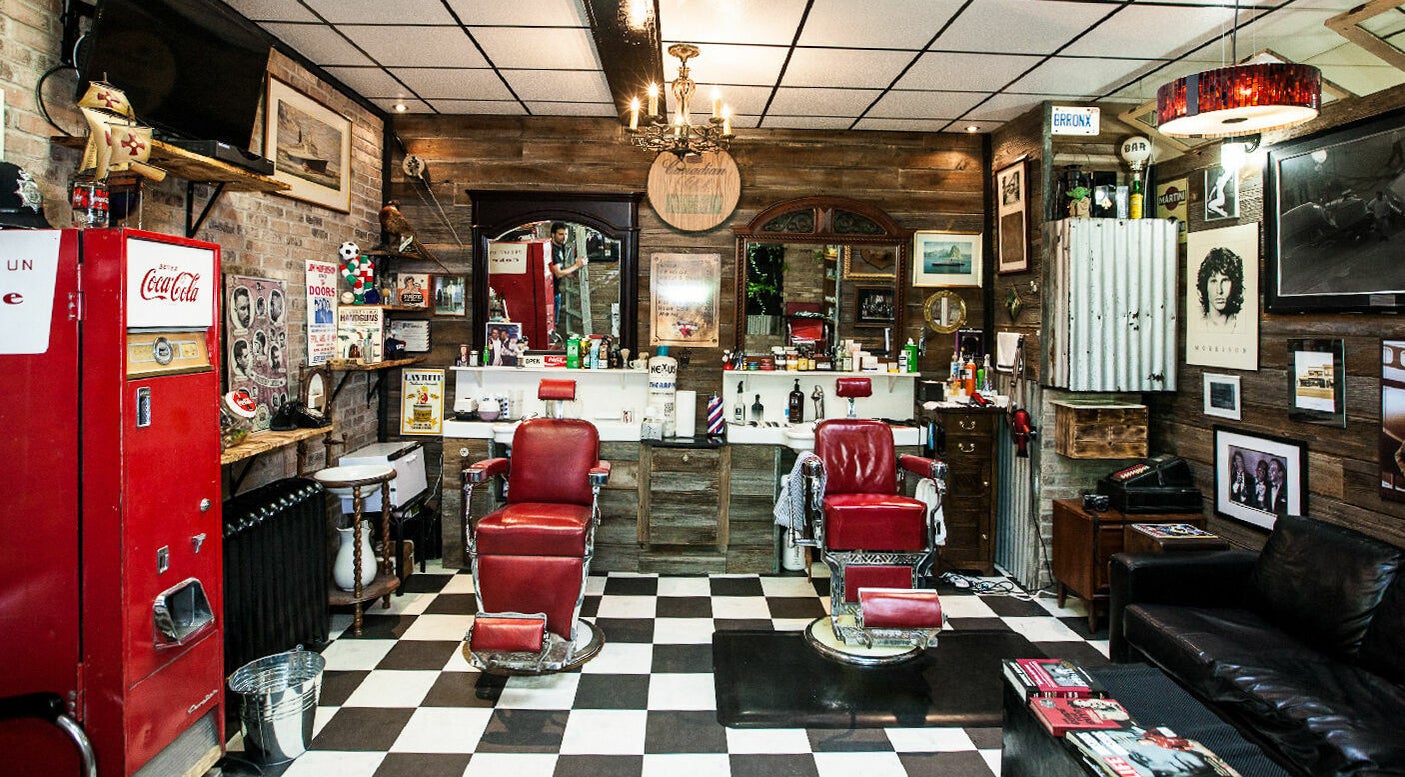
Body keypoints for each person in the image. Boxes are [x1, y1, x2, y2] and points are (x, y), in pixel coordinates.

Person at [1196, 247, 1245, 331]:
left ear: (1234, 285)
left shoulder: (1242, 326)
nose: (1219, 290)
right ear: (1205, 287)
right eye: (1213, 281)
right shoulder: (1198, 326)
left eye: (1225, 281)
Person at [550, 221, 584, 326]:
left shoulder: (562, 247)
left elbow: (558, 267)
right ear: (553, 235)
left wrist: (568, 273)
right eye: (560, 234)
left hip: (556, 291)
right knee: (552, 324)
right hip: (550, 293)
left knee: (554, 322)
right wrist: (577, 265)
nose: (563, 237)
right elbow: (558, 273)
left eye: (565, 234)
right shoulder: (552, 250)